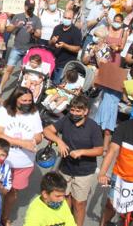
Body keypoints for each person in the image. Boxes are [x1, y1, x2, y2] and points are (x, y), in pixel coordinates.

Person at [44, 95, 103, 226]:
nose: (74, 113)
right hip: (65, 168)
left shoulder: (93, 127)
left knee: (79, 204)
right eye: (72, 110)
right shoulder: (66, 120)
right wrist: (59, 141)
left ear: (85, 111)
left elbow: (99, 150)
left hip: (84, 171)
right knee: (64, 200)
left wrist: (82, 152)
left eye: (78, 111)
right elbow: (47, 130)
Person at [0, 87, 43, 226]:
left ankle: (4, 216)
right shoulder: (4, 111)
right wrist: (22, 143)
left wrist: (33, 141)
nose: (27, 103)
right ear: (15, 100)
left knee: (12, 193)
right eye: (24, 100)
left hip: (24, 163)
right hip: (2, 159)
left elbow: (38, 136)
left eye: (30, 101)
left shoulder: (34, 113)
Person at [0, 0, 42, 90]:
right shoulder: (18, 16)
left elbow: (39, 34)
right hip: (16, 48)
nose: (31, 9)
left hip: (29, 50)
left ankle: (20, 90)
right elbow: (8, 29)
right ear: (25, 6)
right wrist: (16, 25)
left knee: (26, 72)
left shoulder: (37, 19)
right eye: (29, 7)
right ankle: (0, 88)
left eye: (32, 7)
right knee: (8, 69)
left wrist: (33, 31)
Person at [49, 9, 83, 84]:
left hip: (65, 64)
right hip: (53, 61)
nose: (66, 19)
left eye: (69, 18)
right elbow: (50, 42)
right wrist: (52, 41)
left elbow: (77, 49)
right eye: (65, 17)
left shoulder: (76, 32)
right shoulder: (57, 28)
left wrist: (64, 45)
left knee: (57, 84)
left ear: (72, 19)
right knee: (48, 82)